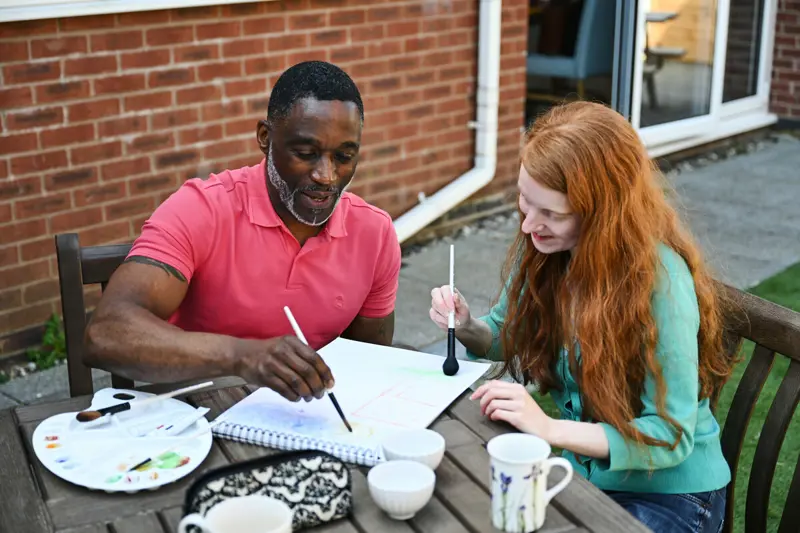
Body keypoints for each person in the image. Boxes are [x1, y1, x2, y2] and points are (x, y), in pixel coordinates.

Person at [429, 101, 734, 533]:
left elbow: (670, 435)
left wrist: (548, 428)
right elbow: (506, 335)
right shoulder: (548, 252)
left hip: (671, 494)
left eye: (552, 213)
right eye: (525, 200)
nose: (528, 225)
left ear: (603, 213)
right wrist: (466, 325)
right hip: (589, 478)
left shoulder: (661, 285)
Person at [86, 61, 401, 403]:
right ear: (265, 138)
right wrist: (241, 356)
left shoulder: (374, 233)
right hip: (198, 414)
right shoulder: (202, 210)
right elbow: (105, 334)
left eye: (344, 156)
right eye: (306, 153)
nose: (326, 175)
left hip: (308, 420)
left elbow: (370, 364)